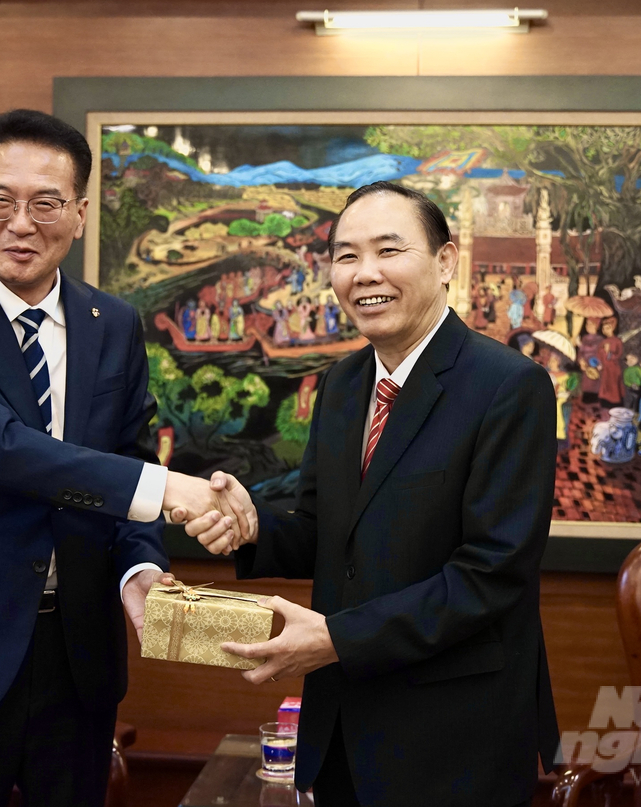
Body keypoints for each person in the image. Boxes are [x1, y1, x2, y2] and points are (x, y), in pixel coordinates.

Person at [0, 109, 250, 807]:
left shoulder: (114, 323)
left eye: (45, 203)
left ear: (82, 212)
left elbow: (124, 455)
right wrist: (168, 490)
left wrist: (141, 566)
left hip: (80, 650)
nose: (20, 222)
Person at [180, 182, 559, 807]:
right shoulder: (341, 384)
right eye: (346, 255)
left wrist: (336, 640)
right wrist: (250, 527)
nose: (366, 274)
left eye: (389, 250)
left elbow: (492, 575)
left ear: (445, 261)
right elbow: (327, 532)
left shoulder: (509, 387)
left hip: (453, 743)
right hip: (343, 732)